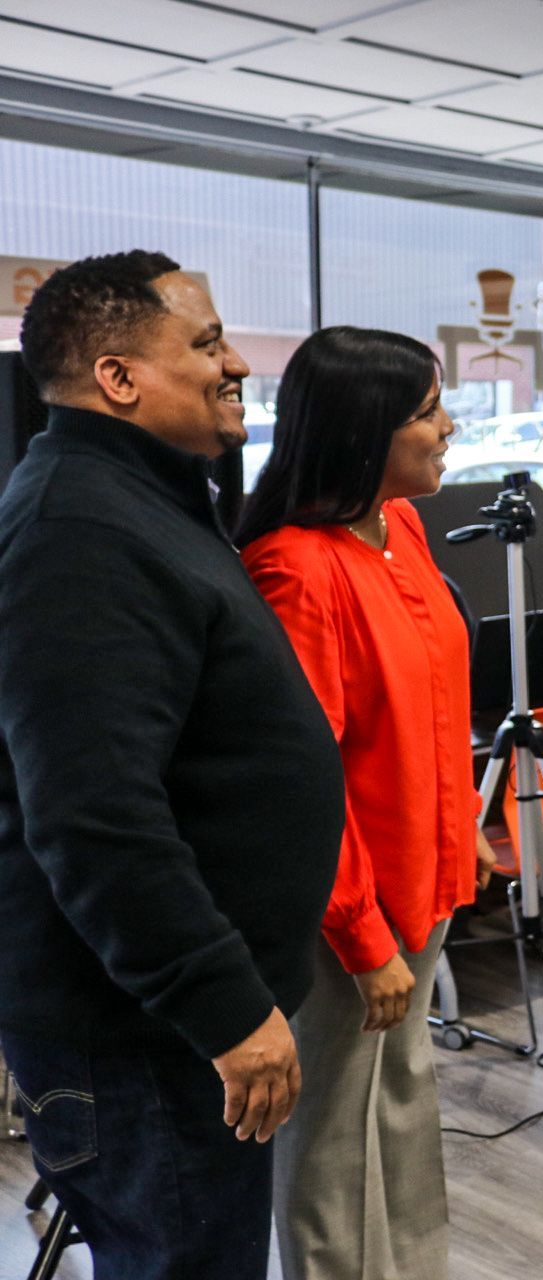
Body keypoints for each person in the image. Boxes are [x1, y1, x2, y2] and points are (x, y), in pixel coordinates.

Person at [0, 251, 344, 1278]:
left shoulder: (145, 498)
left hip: (169, 1022)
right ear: (118, 377)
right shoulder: (79, 529)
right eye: (205, 342)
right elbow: (95, 814)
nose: (237, 362)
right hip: (144, 1036)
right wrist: (228, 1009)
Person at [234, 327, 495, 1280]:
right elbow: (305, 772)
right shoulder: (296, 566)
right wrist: (360, 934)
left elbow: (429, 705)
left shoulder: (402, 527)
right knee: (334, 1132)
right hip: (347, 911)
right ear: (364, 427)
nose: (447, 427)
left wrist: (465, 828)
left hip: (421, 879)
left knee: (403, 1096)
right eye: (428, 411)